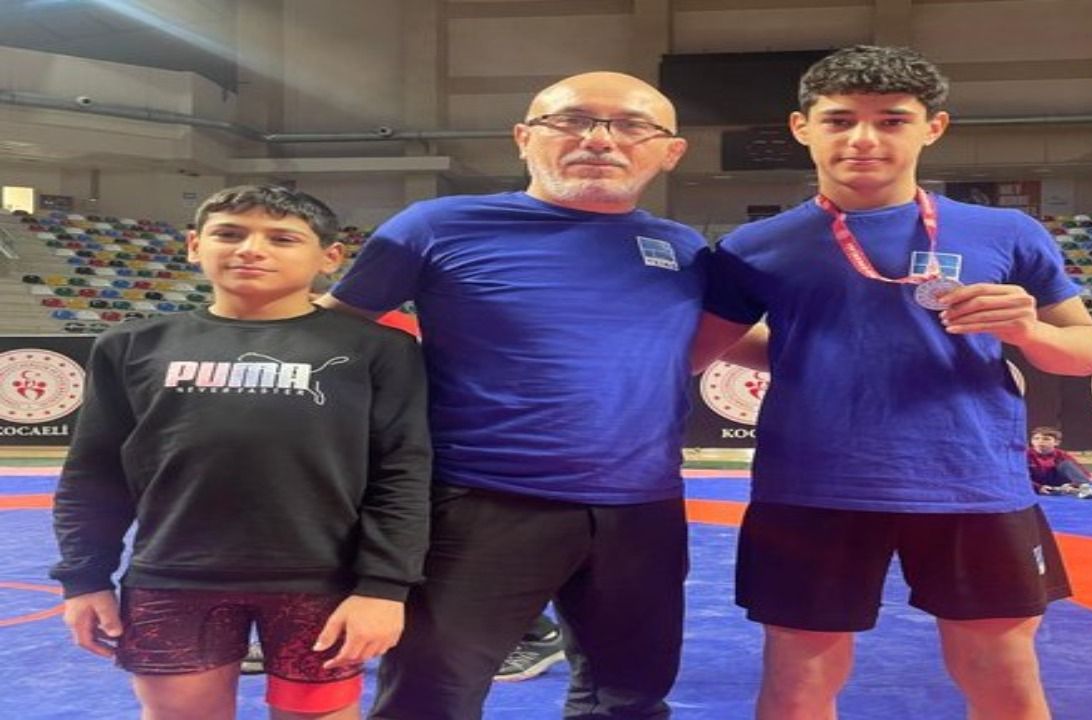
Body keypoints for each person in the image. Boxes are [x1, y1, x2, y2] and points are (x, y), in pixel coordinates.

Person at [691, 46, 1092, 719]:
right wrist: (804, 353)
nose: (863, 138)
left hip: (970, 481)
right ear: (802, 128)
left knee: (1003, 673)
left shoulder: (1006, 231)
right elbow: (698, 349)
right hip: (811, 486)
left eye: (891, 120)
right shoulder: (755, 247)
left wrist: (1028, 332)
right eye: (839, 120)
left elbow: (1088, 353)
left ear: (932, 127)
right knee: (799, 678)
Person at [317, 71, 704, 719]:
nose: (599, 139)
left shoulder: (682, 248)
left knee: (629, 699)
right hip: (480, 503)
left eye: (631, 125)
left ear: (670, 152)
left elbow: (735, 342)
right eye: (571, 120)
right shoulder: (436, 226)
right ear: (524, 138)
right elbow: (329, 334)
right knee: (429, 701)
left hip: (643, 511)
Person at [50, 185, 433, 720]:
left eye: (282, 238)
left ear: (329, 257)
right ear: (194, 245)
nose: (252, 250)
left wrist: (385, 588)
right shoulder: (133, 345)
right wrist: (84, 577)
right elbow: (94, 475)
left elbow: (402, 472)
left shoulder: (379, 349)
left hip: (324, 581)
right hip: (174, 576)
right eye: (229, 234)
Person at [1028, 426, 1092, 499]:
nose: (1040, 441)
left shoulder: (1061, 454)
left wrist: (1072, 484)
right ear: (1031, 441)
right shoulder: (1026, 454)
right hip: (1035, 482)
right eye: (1036, 438)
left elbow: (1083, 473)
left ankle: (1085, 488)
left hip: (1058, 482)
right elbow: (1020, 477)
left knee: (1066, 464)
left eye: (1046, 439)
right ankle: (1066, 489)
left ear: (1056, 442)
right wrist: (1038, 487)